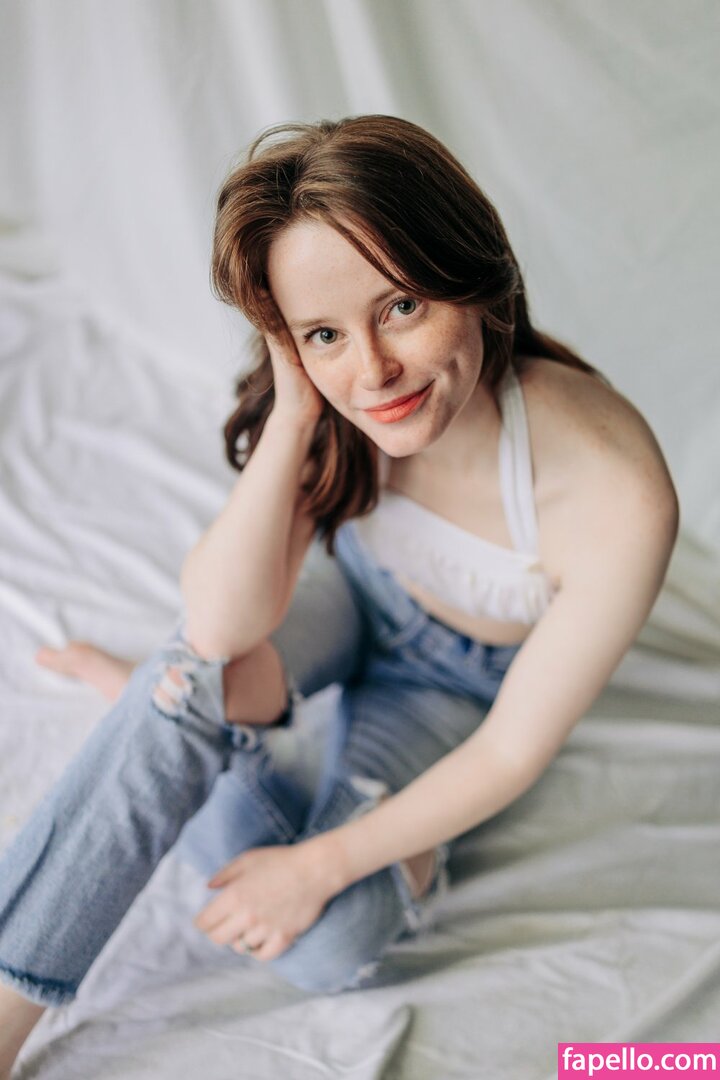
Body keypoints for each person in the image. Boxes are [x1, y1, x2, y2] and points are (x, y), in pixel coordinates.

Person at [0, 114, 679, 1075]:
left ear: (473, 272)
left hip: (455, 685)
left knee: (326, 941)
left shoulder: (616, 489)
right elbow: (217, 628)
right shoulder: (329, 397)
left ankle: (167, 743)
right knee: (189, 677)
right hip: (356, 594)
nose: (373, 371)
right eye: (323, 332)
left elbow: (511, 750)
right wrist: (292, 409)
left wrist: (315, 867)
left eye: (401, 305)